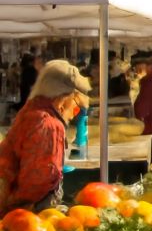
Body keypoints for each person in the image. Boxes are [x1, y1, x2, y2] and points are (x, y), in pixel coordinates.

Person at [0, 60, 91, 215]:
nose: (76, 111)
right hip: (26, 216)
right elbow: (37, 182)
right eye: (76, 101)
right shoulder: (49, 124)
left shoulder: (30, 110)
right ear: (63, 97)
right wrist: (12, 207)